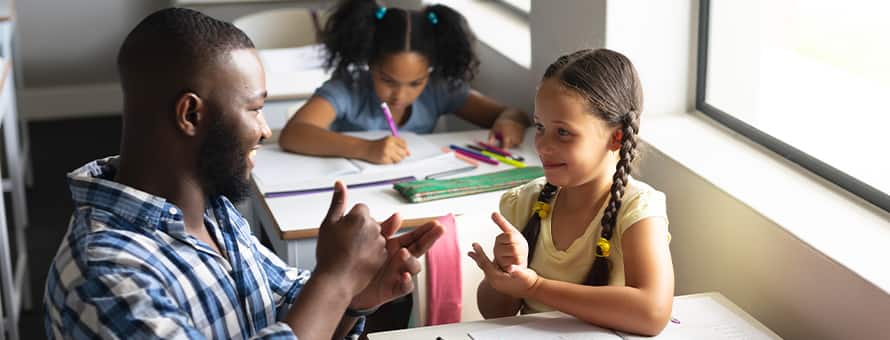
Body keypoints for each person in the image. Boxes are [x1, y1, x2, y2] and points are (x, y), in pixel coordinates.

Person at [43, 7, 443, 339]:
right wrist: (336, 280)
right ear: (191, 115)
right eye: (254, 109)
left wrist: (354, 294)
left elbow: (284, 307)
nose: (265, 129)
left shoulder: (211, 208)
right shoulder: (106, 276)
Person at [467, 49, 674, 336]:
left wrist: (536, 286)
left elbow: (652, 313)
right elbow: (495, 311)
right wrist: (505, 272)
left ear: (616, 137)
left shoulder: (637, 210)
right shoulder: (525, 202)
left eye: (563, 132)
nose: (543, 145)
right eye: (540, 127)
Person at [278, 0, 531, 164]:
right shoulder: (349, 87)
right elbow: (293, 134)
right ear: (370, 63)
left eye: (415, 83)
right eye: (388, 80)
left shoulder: (438, 88)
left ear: (429, 73)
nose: (400, 95)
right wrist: (365, 149)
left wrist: (508, 123)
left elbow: (511, 113)